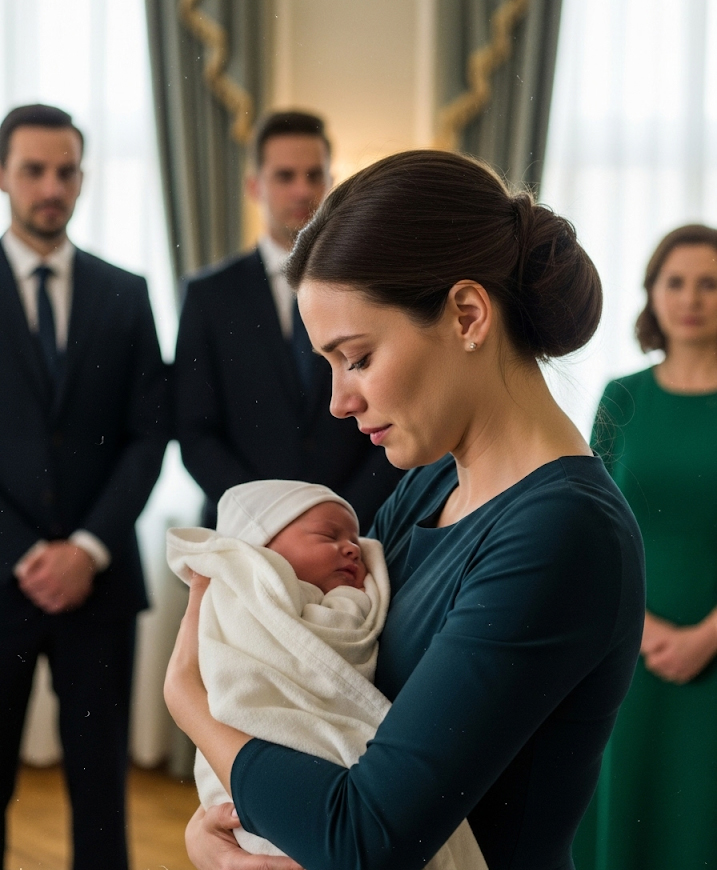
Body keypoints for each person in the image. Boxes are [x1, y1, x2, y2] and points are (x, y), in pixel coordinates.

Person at [164, 150, 646, 870]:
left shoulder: (561, 534)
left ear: (466, 314)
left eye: (355, 357)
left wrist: (190, 703)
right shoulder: (431, 484)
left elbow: (364, 837)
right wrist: (224, 834)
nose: (338, 400)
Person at [0, 104, 169, 870]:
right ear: (4, 175)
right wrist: (28, 551)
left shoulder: (125, 293)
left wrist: (88, 548)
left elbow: (149, 433)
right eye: (34, 169)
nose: (51, 186)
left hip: (99, 588)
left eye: (65, 170)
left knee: (102, 794)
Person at [167, 479, 486, 869]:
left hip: (331, 811)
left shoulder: (346, 602)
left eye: (353, 538)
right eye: (328, 535)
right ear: (258, 547)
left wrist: (182, 694)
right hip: (262, 785)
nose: (353, 547)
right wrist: (203, 835)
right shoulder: (243, 594)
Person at [173, 110, 404, 532]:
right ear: (254, 185)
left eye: (314, 175)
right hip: (245, 535)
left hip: (360, 529)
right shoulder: (208, 296)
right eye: (285, 176)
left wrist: (340, 517)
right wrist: (274, 521)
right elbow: (195, 433)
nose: (302, 190)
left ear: (330, 183)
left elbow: (397, 409)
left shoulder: (372, 287)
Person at [573, 225, 717, 870]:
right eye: (676, 281)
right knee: (626, 808)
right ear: (652, 295)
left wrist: (706, 637)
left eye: (710, 283)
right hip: (629, 646)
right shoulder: (621, 396)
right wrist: (639, 627)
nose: (692, 297)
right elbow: (589, 525)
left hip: (713, 651)